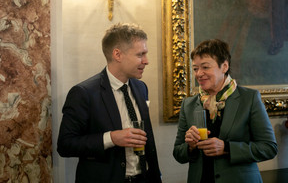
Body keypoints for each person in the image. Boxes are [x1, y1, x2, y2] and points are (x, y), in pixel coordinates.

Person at [57, 23, 162, 183]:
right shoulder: (83, 93)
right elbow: (65, 145)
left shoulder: (141, 88)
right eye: (140, 54)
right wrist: (111, 138)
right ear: (117, 55)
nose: (146, 61)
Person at [173, 39, 278, 183]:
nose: (199, 74)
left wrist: (227, 148)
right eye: (195, 68)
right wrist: (190, 147)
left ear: (224, 66)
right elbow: (178, 153)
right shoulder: (188, 104)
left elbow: (269, 148)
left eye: (205, 67)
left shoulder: (249, 98)